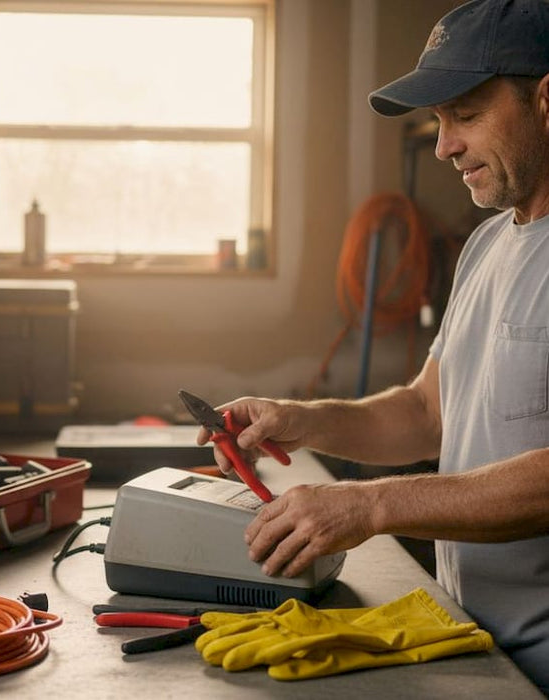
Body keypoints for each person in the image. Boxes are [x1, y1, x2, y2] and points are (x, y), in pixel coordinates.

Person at [197, 0, 549, 694]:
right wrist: (304, 419)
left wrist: (371, 505)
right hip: (474, 643)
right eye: (440, 120)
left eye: (468, 115)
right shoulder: (487, 246)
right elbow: (426, 413)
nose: (445, 144)